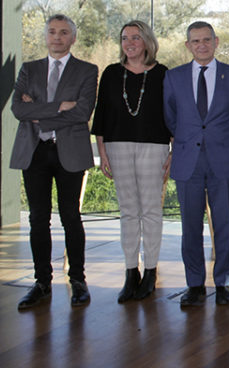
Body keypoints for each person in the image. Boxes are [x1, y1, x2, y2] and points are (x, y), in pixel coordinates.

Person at [11, 14, 98, 310]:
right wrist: (59, 107)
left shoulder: (87, 70)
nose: (57, 37)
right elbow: (17, 110)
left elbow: (82, 112)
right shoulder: (29, 69)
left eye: (63, 33)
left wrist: (37, 110)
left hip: (69, 151)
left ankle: (78, 280)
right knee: (38, 218)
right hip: (34, 151)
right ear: (45, 36)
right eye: (51, 32)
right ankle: (41, 282)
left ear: (73, 38)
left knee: (70, 216)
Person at [164, 21, 229, 307]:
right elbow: (170, 117)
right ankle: (195, 284)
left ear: (216, 41)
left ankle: (223, 282)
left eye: (206, 40)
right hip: (188, 162)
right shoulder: (173, 78)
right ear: (188, 45)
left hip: (222, 160)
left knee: (223, 224)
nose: (201, 45)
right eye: (195, 41)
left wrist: (217, 138)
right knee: (190, 226)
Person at [92, 20, 171, 303]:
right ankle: (130, 272)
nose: (130, 43)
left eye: (136, 38)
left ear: (147, 41)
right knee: (128, 211)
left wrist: (172, 152)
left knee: (150, 211)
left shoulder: (163, 74)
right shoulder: (112, 74)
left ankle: (150, 271)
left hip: (155, 147)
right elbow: (100, 116)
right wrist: (102, 152)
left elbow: (172, 116)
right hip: (117, 146)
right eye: (125, 38)